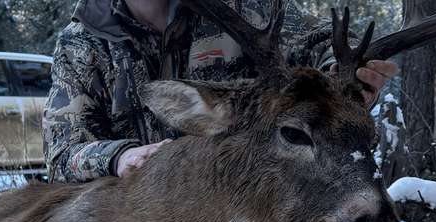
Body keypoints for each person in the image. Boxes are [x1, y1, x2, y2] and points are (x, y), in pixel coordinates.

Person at [44, 0, 398, 183]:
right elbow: (62, 156)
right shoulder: (82, 44)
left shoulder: (247, 8)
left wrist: (349, 79)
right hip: (146, 220)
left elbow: (321, 43)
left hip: (259, 205)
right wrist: (119, 158)